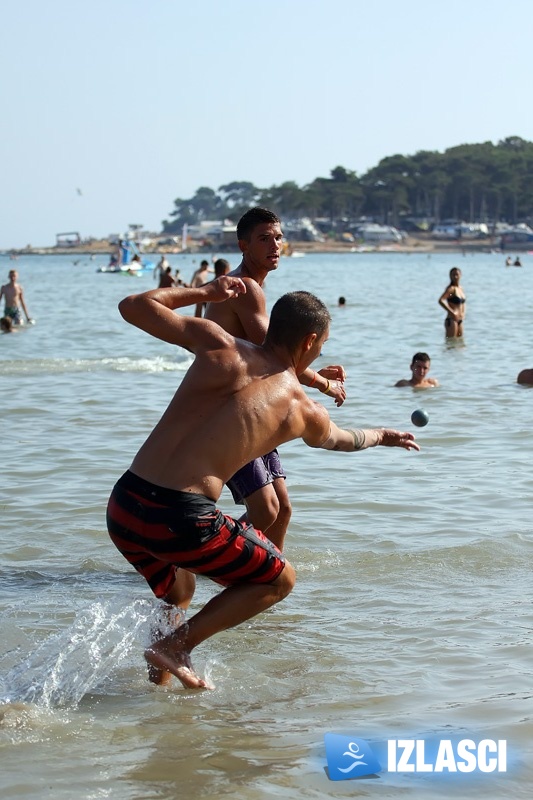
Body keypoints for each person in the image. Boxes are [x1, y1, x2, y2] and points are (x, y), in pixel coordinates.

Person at [107, 276, 419, 690]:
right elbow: (344, 440)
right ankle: (177, 646)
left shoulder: (217, 342)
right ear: (309, 342)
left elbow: (133, 305)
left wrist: (205, 294)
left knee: (180, 590)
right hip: (182, 519)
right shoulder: (301, 408)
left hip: (124, 505)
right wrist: (383, 435)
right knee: (280, 578)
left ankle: (158, 690)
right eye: (321, 347)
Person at [203, 208, 346, 556]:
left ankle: (269, 574)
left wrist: (312, 370)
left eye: (278, 237)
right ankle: (201, 553)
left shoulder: (255, 287)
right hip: (227, 415)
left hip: (253, 410)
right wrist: (323, 385)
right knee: (266, 510)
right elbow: (277, 358)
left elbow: (277, 357)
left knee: (282, 511)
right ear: (243, 245)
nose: (275, 244)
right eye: (264, 238)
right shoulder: (247, 289)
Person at [438, 266, 466, 338]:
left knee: (460, 344)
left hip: (460, 319)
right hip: (452, 319)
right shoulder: (451, 289)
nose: (455, 277)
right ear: (450, 276)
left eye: (457, 274)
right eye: (453, 275)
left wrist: (463, 314)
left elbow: (463, 303)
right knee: (451, 343)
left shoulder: (460, 288)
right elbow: (441, 300)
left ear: (460, 275)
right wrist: (452, 312)